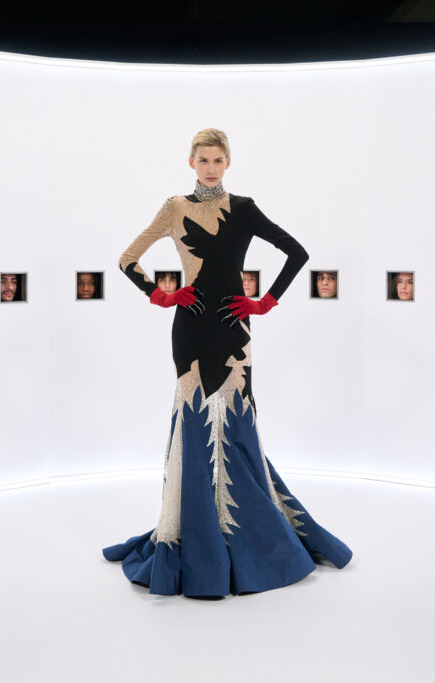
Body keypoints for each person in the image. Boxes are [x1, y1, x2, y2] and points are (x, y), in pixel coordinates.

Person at [102, 128, 352, 597]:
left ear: (228, 163)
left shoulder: (244, 208)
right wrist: (163, 296)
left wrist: (264, 302)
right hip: (190, 328)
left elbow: (297, 253)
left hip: (234, 329)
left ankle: (245, 530)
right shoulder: (175, 207)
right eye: (204, 160)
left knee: (237, 423)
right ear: (191, 163)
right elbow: (127, 258)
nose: (211, 168)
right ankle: (193, 532)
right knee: (192, 422)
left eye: (218, 160)